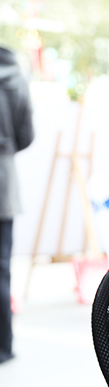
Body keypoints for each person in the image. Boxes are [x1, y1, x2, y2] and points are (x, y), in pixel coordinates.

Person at [0, 46, 33, 365]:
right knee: (1, 268)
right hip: (3, 183)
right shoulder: (15, 75)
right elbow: (26, 135)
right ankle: (4, 346)